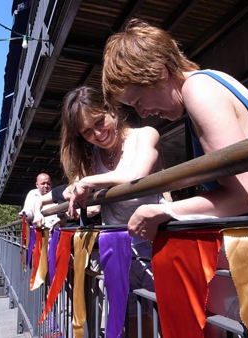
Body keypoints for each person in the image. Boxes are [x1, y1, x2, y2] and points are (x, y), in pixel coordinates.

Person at [102, 18, 248, 241]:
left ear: (160, 73)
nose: (143, 114)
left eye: (138, 101)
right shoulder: (215, 78)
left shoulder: (199, 90)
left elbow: (244, 197)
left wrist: (162, 211)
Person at [33, 86, 163, 336]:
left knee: (163, 317)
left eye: (99, 122)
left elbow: (136, 174)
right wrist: (54, 201)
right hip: (118, 247)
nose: (98, 134)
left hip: (155, 244)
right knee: (131, 318)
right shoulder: (92, 157)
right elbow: (79, 193)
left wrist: (88, 182)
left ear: (110, 109)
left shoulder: (146, 134)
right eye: (87, 132)